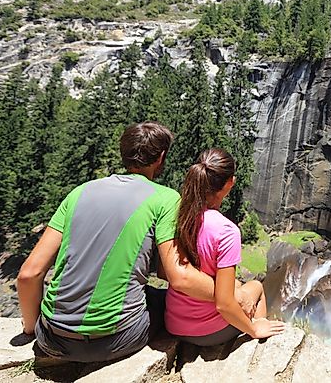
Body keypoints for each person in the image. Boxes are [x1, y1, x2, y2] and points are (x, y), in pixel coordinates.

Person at [16, 122, 218, 362]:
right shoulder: (165, 199)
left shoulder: (79, 192)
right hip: (116, 339)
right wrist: (231, 294)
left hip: (52, 339)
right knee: (170, 302)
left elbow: (28, 274)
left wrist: (32, 328)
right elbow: (179, 276)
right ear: (161, 157)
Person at [165, 148, 285, 345]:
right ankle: (259, 331)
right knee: (256, 286)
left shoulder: (182, 215)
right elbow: (224, 303)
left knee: (240, 286)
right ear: (230, 183)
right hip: (207, 331)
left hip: (173, 322)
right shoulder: (226, 231)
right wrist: (253, 329)